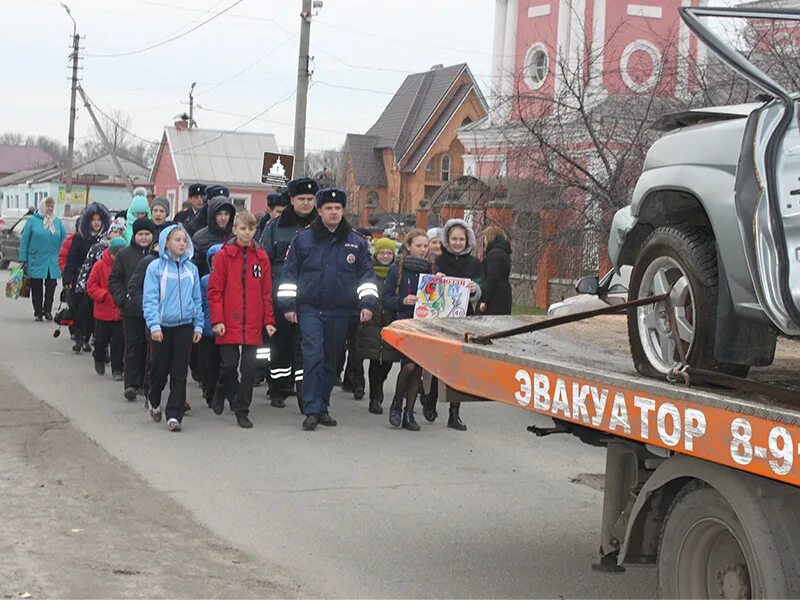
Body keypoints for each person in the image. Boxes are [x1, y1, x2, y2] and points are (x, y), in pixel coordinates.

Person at [278, 188, 378, 431]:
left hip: (341, 311)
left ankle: (323, 407)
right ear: (319, 211)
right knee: (313, 357)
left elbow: (366, 277)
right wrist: (288, 306)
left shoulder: (356, 242)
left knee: (331, 363)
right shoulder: (303, 239)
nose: (333, 212)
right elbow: (289, 275)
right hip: (310, 308)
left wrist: (367, 304)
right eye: (328, 208)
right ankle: (311, 410)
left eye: (337, 208)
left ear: (342, 211)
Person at [207, 211, 277, 429]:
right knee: (228, 365)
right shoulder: (224, 256)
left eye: (251, 229)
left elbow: (266, 293)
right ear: (235, 230)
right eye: (243, 229)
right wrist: (217, 320)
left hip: (253, 323)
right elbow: (215, 291)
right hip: (228, 321)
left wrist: (269, 320)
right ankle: (221, 388)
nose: (247, 233)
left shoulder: (262, 257)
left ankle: (242, 409)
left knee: (248, 370)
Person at [260, 178, 318, 410]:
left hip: (311, 297)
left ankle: (304, 391)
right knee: (279, 345)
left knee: (307, 346)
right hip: (280, 298)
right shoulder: (275, 227)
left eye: (310, 199)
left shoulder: (321, 226)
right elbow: (263, 260)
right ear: (292, 200)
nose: (306, 203)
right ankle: (278, 387)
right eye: (301, 199)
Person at [142, 225, 204, 432]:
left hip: (185, 326)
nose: (182, 243)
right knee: (159, 369)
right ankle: (153, 397)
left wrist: (198, 325)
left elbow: (197, 299)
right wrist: (154, 325)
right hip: (161, 327)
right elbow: (149, 299)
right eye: (177, 240)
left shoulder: (191, 269)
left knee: (179, 371)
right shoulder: (155, 268)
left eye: (184, 240)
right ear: (166, 243)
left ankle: (174, 414)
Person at [434, 218, 483, 431]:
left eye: (461, 239)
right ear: (447, 239)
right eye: (453, 238)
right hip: (439, 317)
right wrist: (435, 280)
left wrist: (474, 289)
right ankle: (430, 399)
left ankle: (455, 413)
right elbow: (426, 289)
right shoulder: (437, 260)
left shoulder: (474, 264)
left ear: (467, 240)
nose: (457, 243)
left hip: (464, 318)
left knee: (458, 366)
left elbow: (481, 289)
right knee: (437, 362)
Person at [381, 229, 433, 430]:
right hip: (405, 324)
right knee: (409, 366)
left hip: (425, 326)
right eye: (419, 246)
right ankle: (396, 403)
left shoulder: (430, 269)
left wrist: (440, 284)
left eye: (426, 246)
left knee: (418, 368)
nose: (423, 250)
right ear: (409, 246)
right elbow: (385, 299)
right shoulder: (397, 269)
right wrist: (402, 300)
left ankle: (409, 413)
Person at [108, 218, 156, 400]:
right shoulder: (124, 255)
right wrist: (122, 299)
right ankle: (131, 384)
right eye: (140, 234)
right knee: (133, 346)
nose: (144, 238)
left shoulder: (158, 256)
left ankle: (146, 383)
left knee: (150, 347)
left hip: (152, 310)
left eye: (147, 234)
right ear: (134, 235)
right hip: (131, 310)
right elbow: (114, 280)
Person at [355, 236, 402, 415]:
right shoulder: (368, 272)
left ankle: (380, 384)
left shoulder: (397, 272)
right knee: (375, 360)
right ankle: (375, 396)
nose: (385, 256)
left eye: (389, 253)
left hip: (391, 321)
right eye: (381, 252)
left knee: (388, 362)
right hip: (372, 322)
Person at [64, 202, 111, 354]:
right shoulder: (80, 238)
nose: (96, 223)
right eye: (93, 220)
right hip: (81, 279)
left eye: (99, 220)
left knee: (92, 311)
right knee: (81, 309)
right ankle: (78, 337)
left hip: (99, 281)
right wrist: (67, 278)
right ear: (87, 221)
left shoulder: (105, 240)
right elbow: (71, 258)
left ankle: (87, 338)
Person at [19, 197, 65, 321]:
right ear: (43, 206)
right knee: (36, 286)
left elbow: (63, 240)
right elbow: (25, 240)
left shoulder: (57, 222)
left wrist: (63, 257)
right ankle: (38, 312)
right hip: (36, 258)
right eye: (47, 206)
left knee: (51, 286)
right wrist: (23, 259)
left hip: (52, 260)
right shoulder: (33, 221)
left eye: (51, 206)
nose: (49, 209)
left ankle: (48, 310)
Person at [87, 237, 127, 379]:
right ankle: (98, 358)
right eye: (115, 255)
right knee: (101, 341)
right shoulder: (99, 266)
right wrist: (103, 295)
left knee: (118, 342)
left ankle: (117, 370)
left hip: (119, 312)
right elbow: (91, 286)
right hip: (102, 312)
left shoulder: (126, 267)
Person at [419, 226, 444, 421]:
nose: (436, 246)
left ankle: (429, 396)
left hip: (441, 317)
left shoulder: (446, 263)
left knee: (436, 361)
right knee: (424, 359)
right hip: (422, 316)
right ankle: (423, 390)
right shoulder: (423, 262)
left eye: (438, 242)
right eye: (432, 242)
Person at [199, 244, 223, 408]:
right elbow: (199, 303)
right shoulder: (204, 280)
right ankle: (209, 390)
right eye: (213, 261)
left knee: (223, 362)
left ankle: (222, 391)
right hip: (207, 329)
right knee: (208, 363)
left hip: (224, 329)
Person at [192, 194, 235, 278]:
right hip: (207, 284)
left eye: (226, 214)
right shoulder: (200, 238)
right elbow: (195, 269)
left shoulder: (235, 236)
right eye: (219, 214)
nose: (223, 218)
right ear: (212, 215)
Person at [479, 224, 513, 315]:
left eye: (485, 238)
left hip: (495, 296)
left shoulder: (494, 254)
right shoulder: (504, 252)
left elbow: (492, 276)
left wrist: (484, 299)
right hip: (504, 293)